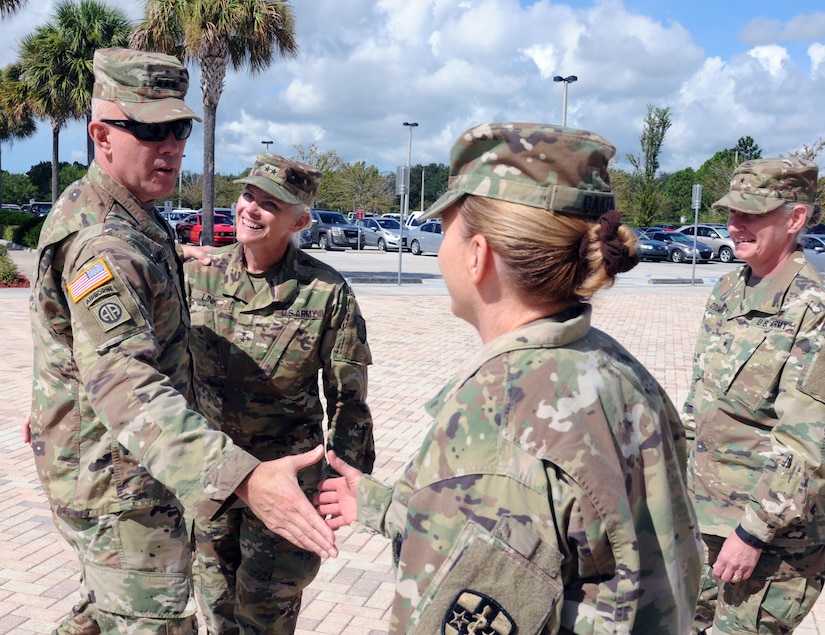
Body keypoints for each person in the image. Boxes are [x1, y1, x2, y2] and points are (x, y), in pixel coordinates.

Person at [316, 122, 703, 634]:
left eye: (447, 227)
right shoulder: (610, 363)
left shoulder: (493, 426)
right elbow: (554, 541)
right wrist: (386, 507)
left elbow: (505, 510)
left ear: (478, 256)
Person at [28, 47, 336, 634]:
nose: (170, 145)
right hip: (124, 485)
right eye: (148, 129)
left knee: (109, 612)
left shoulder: (125, 211)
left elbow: (74, 341)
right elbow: (126, 382)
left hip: (123, 462)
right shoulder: (106, 243)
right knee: (153, 622)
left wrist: (53, 401)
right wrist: (244, 477)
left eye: (177, 127)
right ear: (102, 134)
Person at [184, 154, 374, 633]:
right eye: (249, 196)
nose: (251, 209)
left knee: (265, 617)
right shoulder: (198, 275)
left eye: (270, 205)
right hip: (214, 477)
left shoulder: (326, 292)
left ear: (300, 221)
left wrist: (345, 486)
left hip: (289, 484)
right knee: (216, 608)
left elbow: (348, 402)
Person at [683, 158, 825, 633]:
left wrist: (752, 533)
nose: (735, 225)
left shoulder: (813, 309)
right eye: (731, 212)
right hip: (703, 518)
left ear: (795, 219)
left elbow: (806, 445)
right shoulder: (727, 290)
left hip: (771, 542)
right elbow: (699, 402)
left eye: (751, 213)